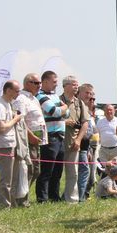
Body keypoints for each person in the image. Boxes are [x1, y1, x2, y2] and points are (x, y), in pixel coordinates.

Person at [0, 80, 23, 209]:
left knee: (10, 178)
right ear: (8, 90)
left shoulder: (8, 104)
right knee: (5, 179)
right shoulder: (0, 106)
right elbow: (1, 128)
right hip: (3, 145)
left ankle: (9, 203)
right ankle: (3, 205)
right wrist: (15, 119)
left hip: (9, 144)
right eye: (16, 90)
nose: (18, 93)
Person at [36, 71, 69, 203]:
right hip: (50, 136)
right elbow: (54, 112)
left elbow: (66, 115)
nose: (57, 84)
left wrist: (63, 110)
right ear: (45, 81)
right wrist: (64, 107)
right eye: (54, 82)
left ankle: (54, 196)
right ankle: (42, 198)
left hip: (60, 136)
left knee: (58, 170)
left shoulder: (54, 96)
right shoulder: (40, 96)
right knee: (47, 170)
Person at [61, 76, 89, 204]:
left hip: (73, 143)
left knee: (73, 173)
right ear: (65, 86)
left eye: (77, 84)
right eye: (73, 84)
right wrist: (64, 122)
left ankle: (71, 200)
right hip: (57, 141)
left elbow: (85, 123)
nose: (76, 87)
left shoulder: (80, 103)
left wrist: (78, 140)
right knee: (54, 172)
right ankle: (52, 197)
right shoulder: (57, 101)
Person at [17, 74, 47, 191]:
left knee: (35, 170)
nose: (39, 86)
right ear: (27, 83)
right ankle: (20, 198)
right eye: (36, 83)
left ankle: (24, 195)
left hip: (37, 140)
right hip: (27, 140)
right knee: (28, 170)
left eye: (40, 83)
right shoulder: (21, 98)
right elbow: (20, 120)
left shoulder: (34, 99)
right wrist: (30, 136)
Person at [76, 84, 97, 201]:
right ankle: (80, 197)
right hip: (77, 144)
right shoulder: (77, 107)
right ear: (79, 93)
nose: (89, 96)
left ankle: (81, 195)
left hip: (86, 146)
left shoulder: (87, 109)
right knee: (83, 171)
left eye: (91, 94)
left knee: (84, 171)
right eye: (87, 93)